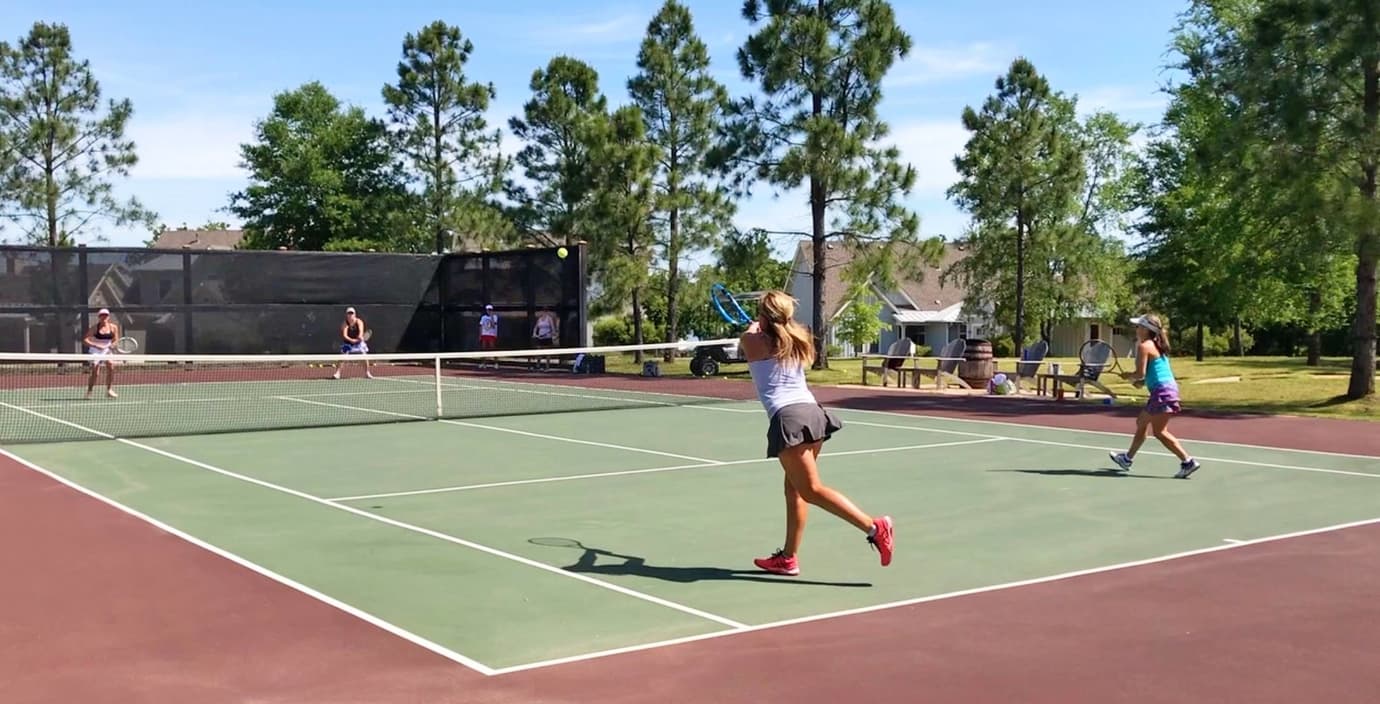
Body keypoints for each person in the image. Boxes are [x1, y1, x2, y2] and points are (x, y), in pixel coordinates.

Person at [741, 290, 894, 576]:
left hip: (789, 419)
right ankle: (788, 558)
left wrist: (753, 326)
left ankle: (875, 528)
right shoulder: (797, 339)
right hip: (813, 414)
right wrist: (763, 323)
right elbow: (773, 334)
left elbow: (750, 336)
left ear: (764, 316)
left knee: (811, 490)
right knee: (794, 489)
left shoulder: (751, 341)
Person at [1109, 313, 1201, 479]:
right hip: (1166, 390)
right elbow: (1151, 375)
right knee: (1142, 422)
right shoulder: (1157, 346)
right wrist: (1138, 382)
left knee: (1159, 432)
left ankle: (1188, 461)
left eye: (1139, 326)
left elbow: (1139, 373)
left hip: (1162, 392)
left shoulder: (1144, 346)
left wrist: (1129, 375)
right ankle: (1127, 458)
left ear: (1145, 329)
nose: (1136, 329)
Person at [82, 308, 120, 399]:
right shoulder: (95, 328)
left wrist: (112, 345)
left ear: (108, 317)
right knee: (95, 372)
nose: (104, 317)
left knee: (111, 366)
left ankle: (109, 390)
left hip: (107, 350)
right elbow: (85, 340)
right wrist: (96, 345)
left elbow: (116, 340)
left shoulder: (113, 327)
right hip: (95, 351)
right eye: (102, 315)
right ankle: (89, 391)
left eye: (106, 315)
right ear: (99, 317)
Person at [332, 307, 373, 380]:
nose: (350, 315)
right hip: (348, 342)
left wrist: (359, 338)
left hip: (358, 343)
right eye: (349, 313)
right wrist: (351, 340)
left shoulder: (359, 322)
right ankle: (337, 373)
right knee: (342, 357)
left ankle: (367, 373)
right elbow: (344, 335)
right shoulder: (345, 323)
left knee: (364, 356)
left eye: (352, 313)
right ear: (346, 315)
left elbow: (360, 332)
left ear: (355, 314)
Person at [479, 304, 499, 369]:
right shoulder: (483, 317)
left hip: (491, 335)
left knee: (492, 348)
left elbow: (493, 326)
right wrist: (480, 335)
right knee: (483, 349)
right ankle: (483, 363)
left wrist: (492, 317)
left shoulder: (495, 317)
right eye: (488, 310)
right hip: (484, 335)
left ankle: (496, 363)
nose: (489, 311)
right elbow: (481, 326)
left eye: (490, 310)